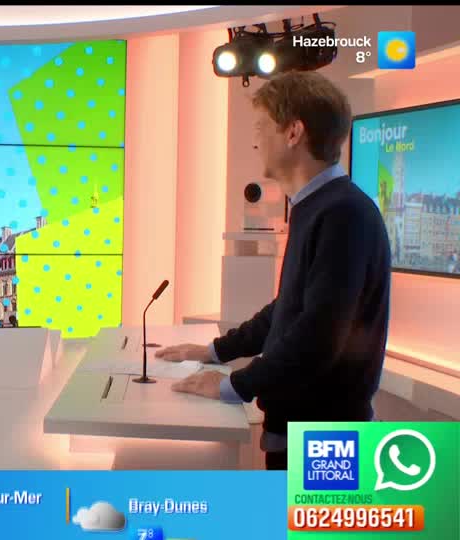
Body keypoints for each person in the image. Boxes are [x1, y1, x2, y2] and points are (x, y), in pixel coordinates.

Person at [157, 71, 392, 470]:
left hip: (327, 441)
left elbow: (317, 337)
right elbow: (290, 308)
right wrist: (217, 351)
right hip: (302, 432)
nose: (256, 141)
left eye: (261, 127)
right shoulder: (317, 206)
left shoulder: (343, 213)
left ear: (293, 132)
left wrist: (234, 385)